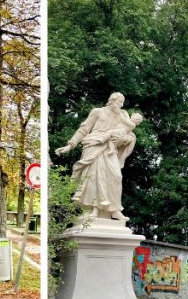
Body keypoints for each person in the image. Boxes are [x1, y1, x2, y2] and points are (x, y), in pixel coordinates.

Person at [55, 92, 143, 221]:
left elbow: (129, 133)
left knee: (116, 176)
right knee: (95, 176)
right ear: (112, 100)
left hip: (109, 147)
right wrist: (70, 145)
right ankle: (94, 208)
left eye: (122, 102)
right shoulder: (97, 111)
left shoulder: (123, 114)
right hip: (94, 143)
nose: (121, 104)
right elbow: (84, 129)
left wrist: (125, 139)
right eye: (120, 101)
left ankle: (115, 209)